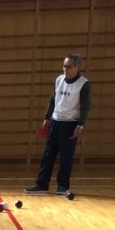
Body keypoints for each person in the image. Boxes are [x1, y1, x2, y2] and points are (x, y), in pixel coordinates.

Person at [26, 54, 92, 196]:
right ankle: (41, 185)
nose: (65, 69)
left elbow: (85, 107)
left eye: (69, 67)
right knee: (48, 154)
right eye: (64, 66)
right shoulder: (59, 80)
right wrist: (47, 117)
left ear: (77, 67)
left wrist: (80, 125)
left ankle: (63, 186)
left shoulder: (84, 84)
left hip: (70, 124)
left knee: (66, 157)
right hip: (55, 122)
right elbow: (53, 99)